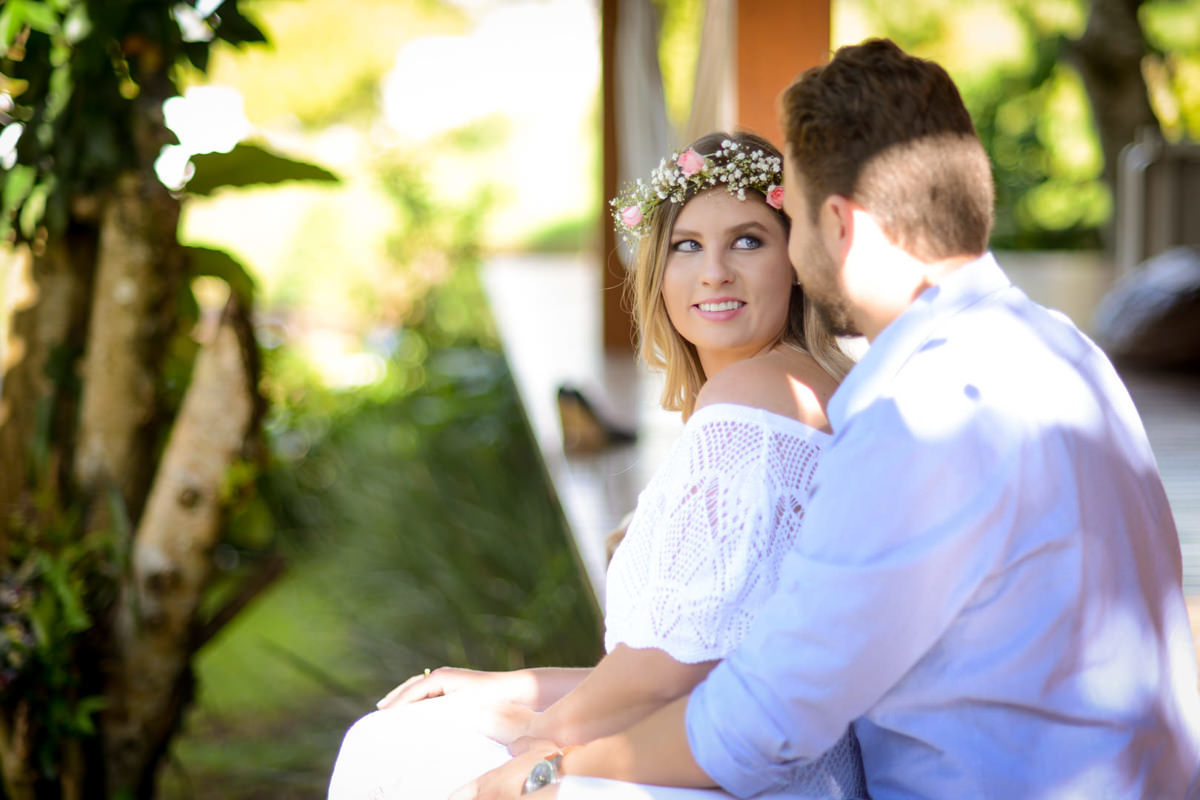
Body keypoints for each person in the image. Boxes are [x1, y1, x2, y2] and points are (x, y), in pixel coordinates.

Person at [457, 37, 1200, 800]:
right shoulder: (1067, 353)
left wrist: (552, 765)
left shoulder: (918, 415)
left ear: (839, 226)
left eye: (792, 223)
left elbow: (767, 722)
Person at [326, 131, 867, 800]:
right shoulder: (779, 389)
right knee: (412, 735)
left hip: (746, 775)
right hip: (722, 749)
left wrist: (533, 742)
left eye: (749, 241)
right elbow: (691, 659)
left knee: (396, 750)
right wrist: (509, 692)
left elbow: (671, 670)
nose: (714, 272)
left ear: (798, 262)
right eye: (686, 245)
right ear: (658, 271)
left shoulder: (759, 397)